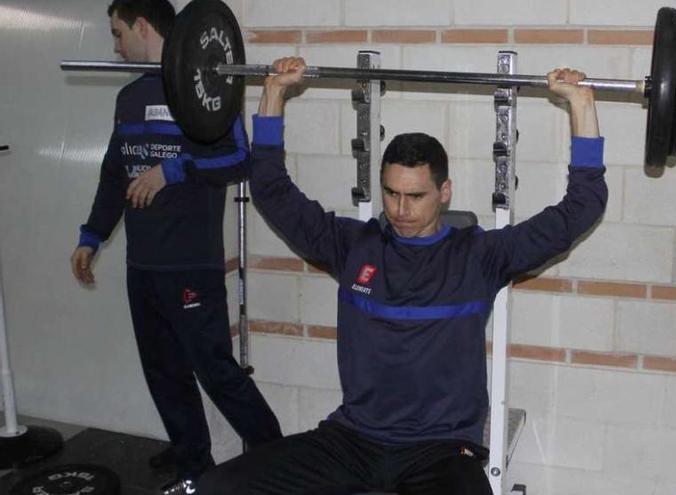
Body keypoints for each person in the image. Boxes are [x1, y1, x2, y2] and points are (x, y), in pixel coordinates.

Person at [198, 56, 607, 495]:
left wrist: (581, 105)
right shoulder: (354, 247)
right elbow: (272, 188)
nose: (400, 209)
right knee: (221, 486)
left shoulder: (480, 256)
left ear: (444, 192)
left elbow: (579, 208)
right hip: (353, 441)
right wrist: (274, 92)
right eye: (391, 193)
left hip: (440, 450)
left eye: (415, 195)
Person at [69, 1, 281, 493]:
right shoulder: (127, 99)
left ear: (143, 26)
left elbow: (237, 159)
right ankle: (193, 472)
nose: (117, 48)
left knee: (217, 373)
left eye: (119, 34)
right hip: (141, 266)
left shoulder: (206, 92)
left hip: (191, 265)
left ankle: (282, 462)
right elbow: (112, 175)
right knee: (165, 376)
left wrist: (172, 170)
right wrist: (92, 236)